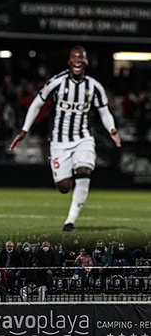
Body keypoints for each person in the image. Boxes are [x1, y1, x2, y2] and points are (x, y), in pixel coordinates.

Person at [9, 45, 121, 230]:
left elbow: (104, 111)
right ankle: (60, 170)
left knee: (84, 171)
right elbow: (37, 103)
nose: (78, 60)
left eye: (81, 57)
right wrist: (24, 130)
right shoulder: (57, 82)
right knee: (64, 186)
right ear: (69, 61)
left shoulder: (94, 86)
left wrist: (112, 129)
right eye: (74, 57)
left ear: (86, 61)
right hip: (59, 141)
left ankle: (69, 222)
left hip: (83, 137)